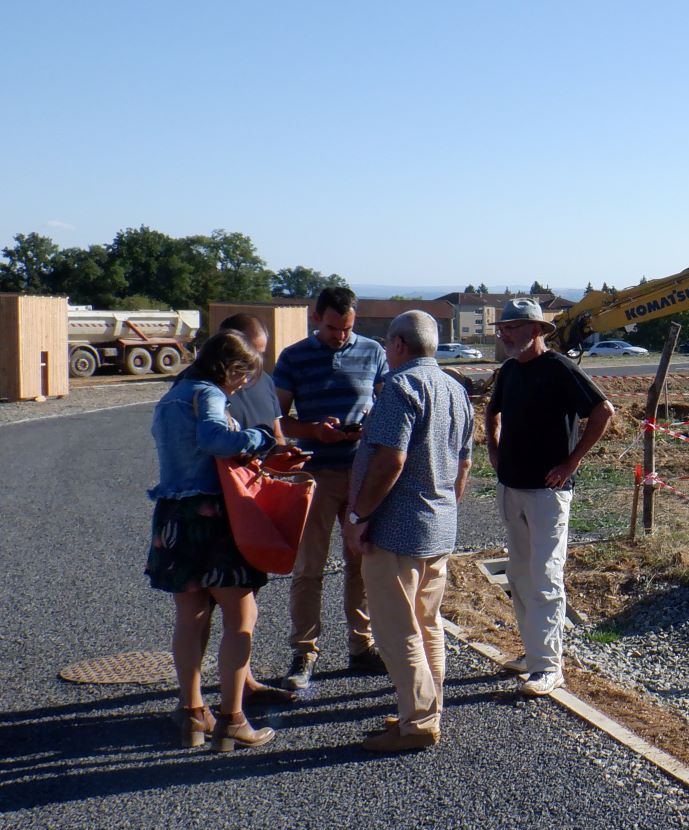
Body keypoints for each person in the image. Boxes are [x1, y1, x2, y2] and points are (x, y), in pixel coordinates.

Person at [344, 311, 473, 754]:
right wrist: (447, 505)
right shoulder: (457, 388)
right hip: (438, 525)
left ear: (398, 344)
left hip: (397, 528)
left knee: (397, 630)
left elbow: (391, 460)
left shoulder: (401, 387)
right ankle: (425, 709)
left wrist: (360, 515)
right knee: (427, 624)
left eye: (386, 343)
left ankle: (417, 723)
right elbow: (464, 462)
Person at [146, 330, 279, 751]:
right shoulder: (208, 393)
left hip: (173, 515)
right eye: (243, 376)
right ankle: (232, 718)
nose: (242, 385)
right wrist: (260, 437)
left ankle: (190, 714)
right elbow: (214, 440)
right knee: (241, 617)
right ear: (231, 368)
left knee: (191, 617)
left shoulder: (172, 395)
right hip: (214, 516)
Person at [485, 298, 614, 697]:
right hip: (512, 487)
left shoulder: (559, 369)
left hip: (548, 492)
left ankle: (548, 666)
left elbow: (603, 411)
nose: (506, 335)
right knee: (520, 575)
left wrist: (571, 463)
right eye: (504, 329)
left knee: (544, 576)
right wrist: (493, 448)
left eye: (514, 328)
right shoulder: (509, 370)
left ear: (537, 330)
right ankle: (533, 653)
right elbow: (492, 412)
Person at [272, 286, 388, 689]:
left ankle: (362, 646)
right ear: (316, 318)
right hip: (315, 475)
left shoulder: (373, 352)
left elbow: (387, 402)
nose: (341, 335)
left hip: (361, 474)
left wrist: (369, 427)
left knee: (361, 561)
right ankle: (304, 652)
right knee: (309, 567)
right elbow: (278, 420)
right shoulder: (293, 358)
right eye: (333, 327)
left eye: (348, 328)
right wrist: (313, 431)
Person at [216, 312, 283, 436]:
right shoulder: (200, 386)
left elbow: (277, 435)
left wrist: (286, 453)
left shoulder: (265, 380)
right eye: (250, 354)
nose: (255, 362)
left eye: (260, 354)